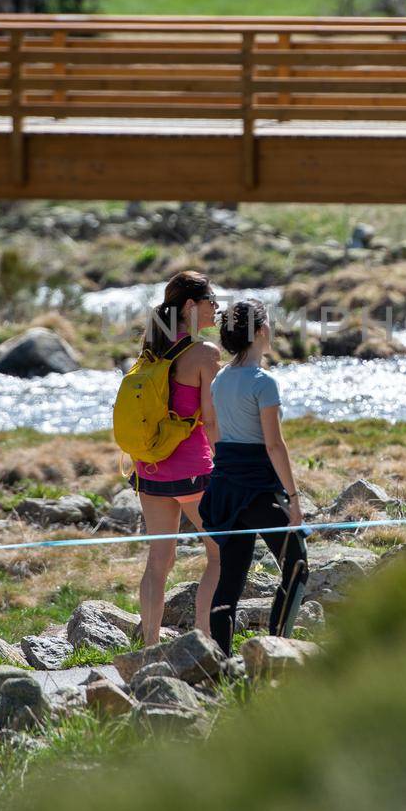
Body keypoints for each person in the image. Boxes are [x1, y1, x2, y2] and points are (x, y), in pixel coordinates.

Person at [200, 297, 309, 655]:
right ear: (261, 331)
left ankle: (221, 664)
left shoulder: (220, 379)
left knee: (230, 582)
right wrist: (294, 501)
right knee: (296, 568)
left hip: (226, 489)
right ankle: (276, 651)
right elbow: (275, 446)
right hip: (260, 491)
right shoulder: (264, 382)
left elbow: (214, 429)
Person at [131, 270, 221, 647]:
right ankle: (205, 641)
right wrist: (227, 464)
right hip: (193, 470)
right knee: (219, 555)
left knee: (159, 560)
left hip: (150, 468)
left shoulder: (151, 350)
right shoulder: (205, 354)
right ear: (189, 306)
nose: (216, 307)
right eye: (210, 301)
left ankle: (149, 646)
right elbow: (212, 420)